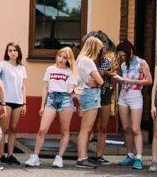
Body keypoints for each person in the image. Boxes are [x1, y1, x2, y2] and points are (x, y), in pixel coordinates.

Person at [25, 47, 79, 168]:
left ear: (68, 59)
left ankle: (59, 157)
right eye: (60, 56)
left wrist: (76, 92)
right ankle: (35, 157)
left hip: (65, 99)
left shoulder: (71, 72)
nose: (61, 59)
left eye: (64, 57)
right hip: (51, 98)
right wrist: (42, 106)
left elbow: (70, 90)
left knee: (64, 130)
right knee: (42, 130)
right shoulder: (50, 69)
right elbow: (45, 88)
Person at [113, 40, 152, 170]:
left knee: (136, 128)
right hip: (123, 96)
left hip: (136, 96)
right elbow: (123, 81)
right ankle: (130, 155)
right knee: (126, 128)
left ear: (130, 51)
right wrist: (117, 79)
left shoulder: (142, 62)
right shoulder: (124, 65)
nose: (122, 58)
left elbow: (149, 81)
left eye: (123, 55)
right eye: (120, 56)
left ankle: (139, 157)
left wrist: (127, 80)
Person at [74, 37, 106, 169]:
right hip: (90, 94)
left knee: (85, 129)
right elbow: (100, 81)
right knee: (86, 129)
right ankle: (82, 158)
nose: (99, 51)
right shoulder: (88, 61)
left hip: (84, 93)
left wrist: (93, 81)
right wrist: (97, 80)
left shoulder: (80, 60)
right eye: (98, 48)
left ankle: (84, 156)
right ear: (93, 47)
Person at [88, 31, 118, 164]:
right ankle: (84, 154)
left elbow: (101, 75)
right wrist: (105, 73)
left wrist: (106, 74)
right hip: (91, 92)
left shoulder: (106, 59)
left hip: (105, 92)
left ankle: (99, 155)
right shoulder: (88, 59)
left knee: (103, 126)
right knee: (88, 125)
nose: (103, 48)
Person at [0, 43, 28, 164]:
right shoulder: (2, 65)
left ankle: (10, 154)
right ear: (7, 52)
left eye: (15, 50)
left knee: (13, 129)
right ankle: (1, 155)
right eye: (10, 50)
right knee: (3, 128)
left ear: (18, 52)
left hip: (18, 101)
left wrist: (24, 103)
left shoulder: (22, 68)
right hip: (5, 101)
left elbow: (23, 87)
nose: (12, 52)